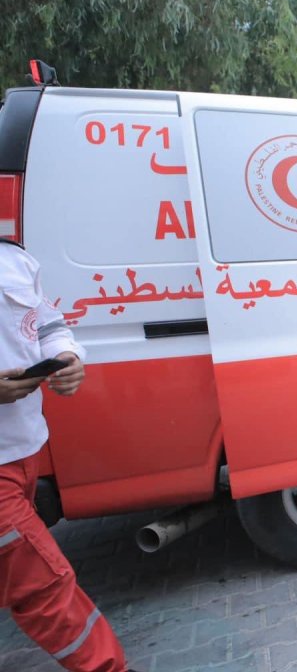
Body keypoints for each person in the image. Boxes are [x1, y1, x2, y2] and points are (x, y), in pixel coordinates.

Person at [1, 239, 133, 672]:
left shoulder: (13, 258)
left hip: (24, 447)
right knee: (44, 584)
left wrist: (67, 357)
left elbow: (48, 325)